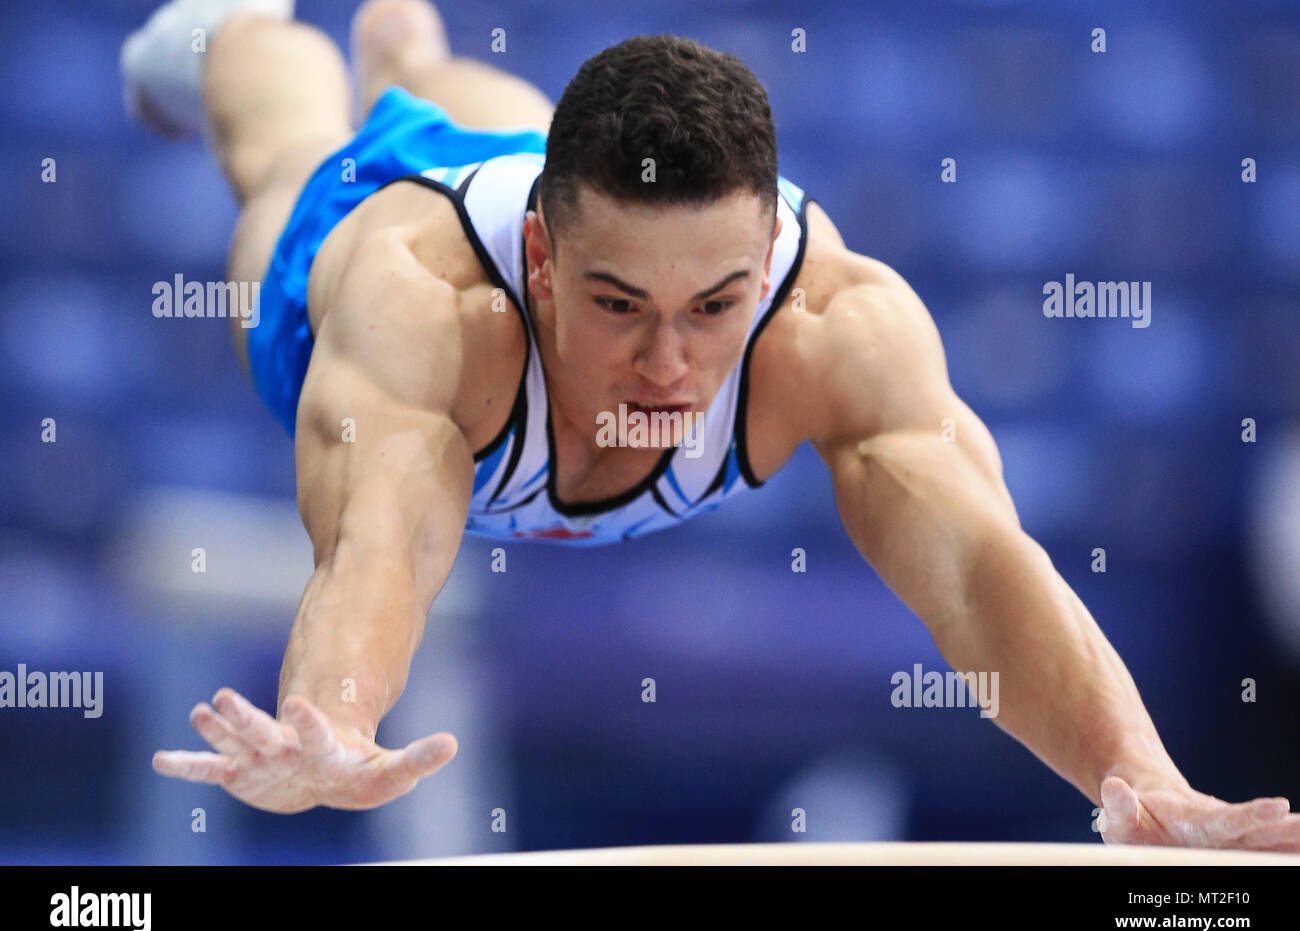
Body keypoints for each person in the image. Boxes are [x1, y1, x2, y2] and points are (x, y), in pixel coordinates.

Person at [126, 0, 1300, 850]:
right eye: (619, 306)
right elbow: (376, 549)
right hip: (345, 246)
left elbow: (983, 571)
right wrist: (328, 716)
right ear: (540, 261)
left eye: (715, 306)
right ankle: (230, 31)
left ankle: (413, 51)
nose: (669, 361)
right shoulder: (425, 310)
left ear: (762, 264)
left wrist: (1142, 784)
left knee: (515, 121)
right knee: (282, 138)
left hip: (553, 177)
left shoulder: (835, 327)